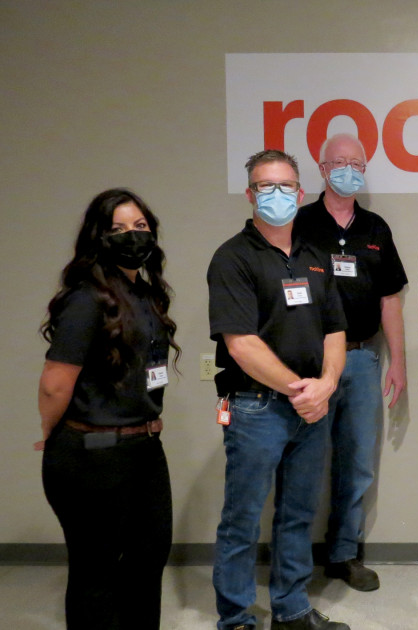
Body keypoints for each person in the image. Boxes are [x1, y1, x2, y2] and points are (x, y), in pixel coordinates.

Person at [208, 150, 350, 630]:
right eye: (265, 186)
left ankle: (291, 610)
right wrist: (300, 391)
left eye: (285, 186)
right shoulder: (233, 258)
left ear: (300, 192)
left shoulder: (315, 257)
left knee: (297, 515)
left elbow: (335, 330)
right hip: (256, 408)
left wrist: (326, 385)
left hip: (312, 408)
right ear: (250, 195)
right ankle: (236, 618)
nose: (276, 195)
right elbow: (241, 344)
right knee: (242, 520)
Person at [38, 188, 179, 629]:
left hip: (145, 448)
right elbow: (54, 386)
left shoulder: (145, 294)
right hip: (92, 454)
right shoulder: (86, 299)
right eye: (118, 229)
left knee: (148, 558)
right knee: (95, 571)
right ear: (98, 238)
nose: (132, 236)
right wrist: (54, 436)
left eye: (140, 226)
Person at [296, 133, 408, 592]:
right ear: (322, 169)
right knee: (303, 460)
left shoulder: (375, 229)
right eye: (339, 162)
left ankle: (343, 554)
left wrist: (397, 363)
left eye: (356, 163)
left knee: (358, 461)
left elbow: (390, 300)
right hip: (308, 361)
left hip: (362, 358)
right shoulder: (300, 223)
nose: (348, 170)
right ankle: (293, 559)